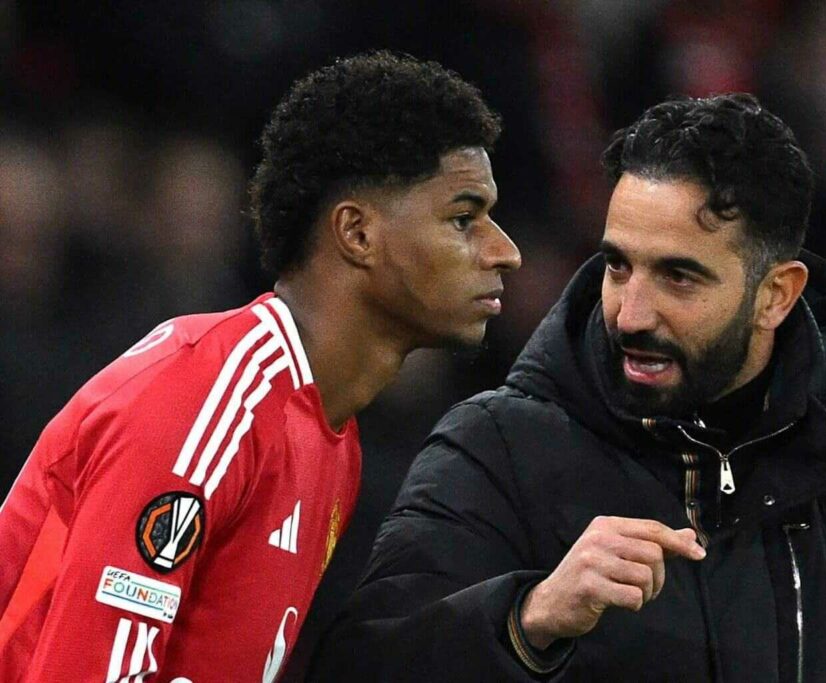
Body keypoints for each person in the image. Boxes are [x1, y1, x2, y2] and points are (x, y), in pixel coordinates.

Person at [311, 93, 826, 681]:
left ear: (777, 294)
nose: (632, 311)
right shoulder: (497, 448)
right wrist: (527, 621)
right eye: (619, 266)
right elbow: (363, 668)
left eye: (678, 276)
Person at [0, 50, 520, 681]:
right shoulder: (208, 395)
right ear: (356, 233)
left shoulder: (333, 442)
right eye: (464, 218)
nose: (506, 252)